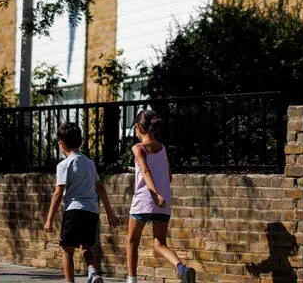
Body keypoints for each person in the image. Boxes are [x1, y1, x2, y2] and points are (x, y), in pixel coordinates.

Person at [44, 122, 120, 283]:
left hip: (73, 210)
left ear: (61, 144)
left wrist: (49, 219)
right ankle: (92, 271)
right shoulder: (89, 163)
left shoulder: (64, 165)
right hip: (91, 211)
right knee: (85, 246)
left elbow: (58, 193)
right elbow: (100, 188)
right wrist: (110, 212)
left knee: (67, 249)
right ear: (81, 142)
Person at [126, 110, 196, 283]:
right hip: (162, 204)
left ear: (137, 127)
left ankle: (131, 280)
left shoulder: (138, 148)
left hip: (145, 200)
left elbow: (146, 170)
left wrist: (154, 193)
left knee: (132, 240)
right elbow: (168, 176)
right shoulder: (163, 148)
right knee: (159, 243)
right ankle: (182, 268)